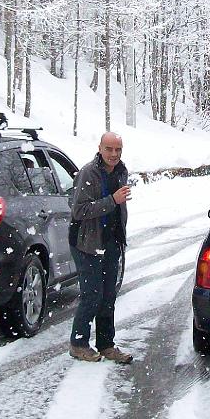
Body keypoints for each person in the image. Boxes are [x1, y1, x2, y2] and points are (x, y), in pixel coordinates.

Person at [68, 131, 133, 363]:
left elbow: (118, 206)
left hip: (111, 241)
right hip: (87, 243)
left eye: (118, 150)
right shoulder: (88, 173)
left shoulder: (120, 171)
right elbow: (79, 211)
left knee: (108, 296)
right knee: (92, 295)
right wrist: (112, 201)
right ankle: (78, 343)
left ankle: (106, 344)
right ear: (100, 148)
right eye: (109, 149)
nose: (114, 154)